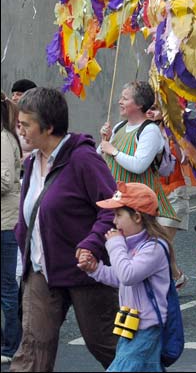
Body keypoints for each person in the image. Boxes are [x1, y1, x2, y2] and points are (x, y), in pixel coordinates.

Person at [10, 87, 119, 372]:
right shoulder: (32, 161)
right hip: (41, 273)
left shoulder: (83, 159)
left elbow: (111, 208)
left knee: (107, 346)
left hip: (85, 273)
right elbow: (29, 216)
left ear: (48, 127)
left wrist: (91, 244)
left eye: (25, 124)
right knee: (32, 351)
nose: (19, 130)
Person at [78, 181, 171, 371]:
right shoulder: (132, 245)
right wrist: (95, 269)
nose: (114, 222)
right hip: (131, 325)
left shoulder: (154, 247)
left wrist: (115, 244)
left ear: (137, 217)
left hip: (146, 327)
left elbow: (128, 275)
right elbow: (120, 278)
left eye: (119, 215)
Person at [98, 81, 177, 222]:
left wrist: (114, 151)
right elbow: (99, 157)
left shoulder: (150, 130)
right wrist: (106, 140)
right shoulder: (118, 127)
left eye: (125, 99)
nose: (120, 102)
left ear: (140, 105)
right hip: (119, 204)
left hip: (142, 210)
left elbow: (139, 166)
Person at [145, 103, 189, 289]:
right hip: (152, 197)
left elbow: (184, 158)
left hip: (174, 194)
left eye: (155, 109)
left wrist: (173, 138)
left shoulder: (173, 135)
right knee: (158, 245)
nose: (151, 113)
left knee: (161, 243)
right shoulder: (144, 135)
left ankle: (163, 284)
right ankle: (176, 275)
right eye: (148, 110)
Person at [1, 92, 22, 364]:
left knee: (7, 286)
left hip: (6, 222)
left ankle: (11, 345)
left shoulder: (4, 140)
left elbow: (5, 182)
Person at [10, 79, 37, 162]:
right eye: (13, 94)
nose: (14, 98)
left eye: (18, 94)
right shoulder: (9, 118)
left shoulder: (38, 120)